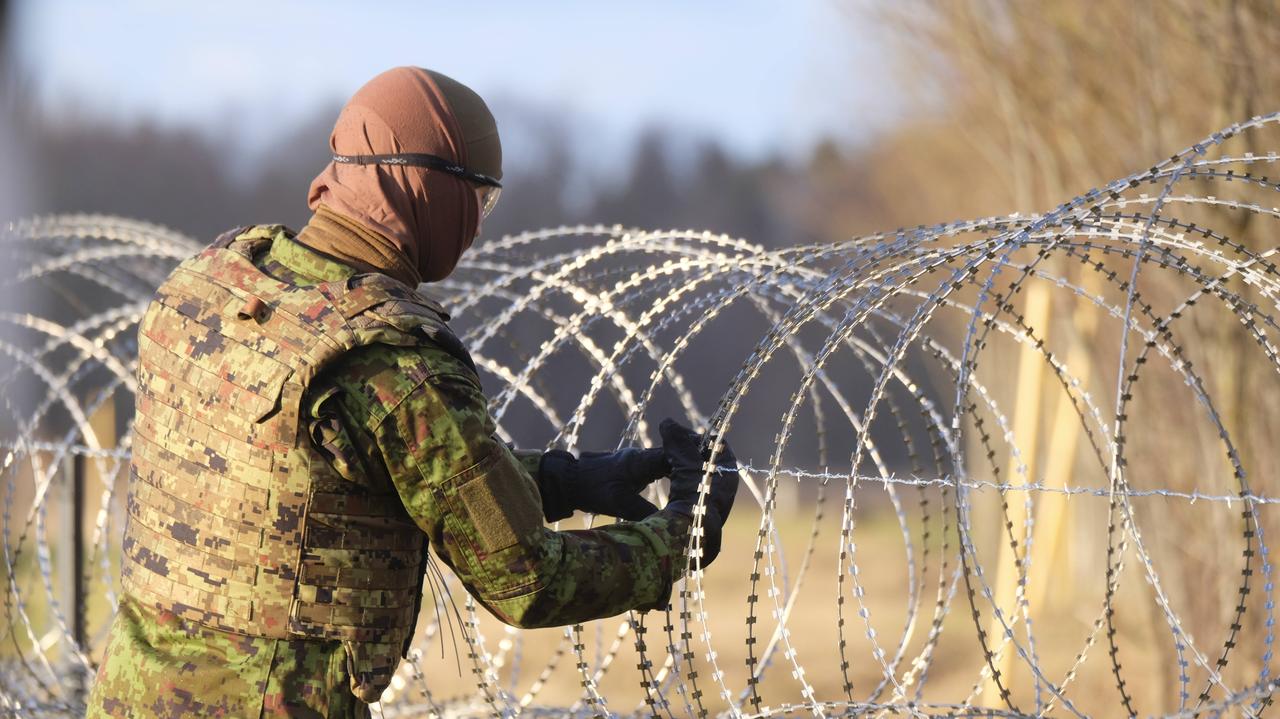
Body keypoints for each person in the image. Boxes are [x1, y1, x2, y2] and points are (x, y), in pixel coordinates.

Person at [85, 66, 739, 718]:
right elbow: (528, 580)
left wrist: (564, 480)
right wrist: (680, 534)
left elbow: (327, 476)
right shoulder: (388, 355)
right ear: (424, 187)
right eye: (478, 200)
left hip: (128, 695)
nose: (478, 227)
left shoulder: (209, 285)